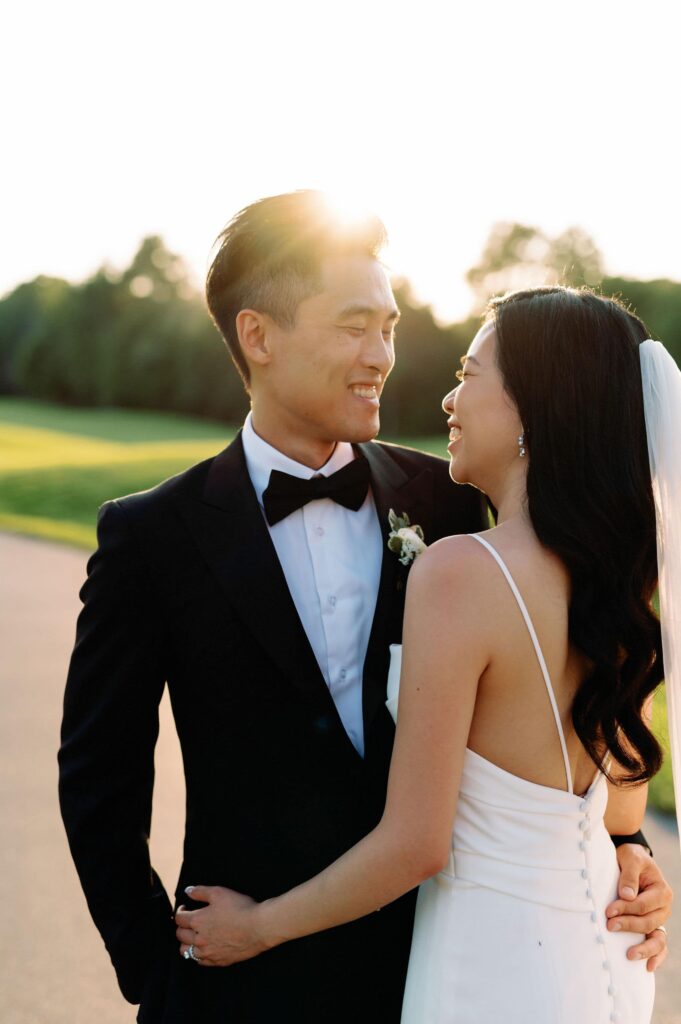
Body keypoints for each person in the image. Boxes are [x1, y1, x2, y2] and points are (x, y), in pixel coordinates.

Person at [57, 194, 669, 1024]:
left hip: (438, 969)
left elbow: (564, 680)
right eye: (354, 327)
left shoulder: (449, 504)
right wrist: (160, 975)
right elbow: (100, 785)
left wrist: (623, 847)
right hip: (240, 989)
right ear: (258, 336)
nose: (382, 354)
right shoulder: (150, 537)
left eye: (389, 326)